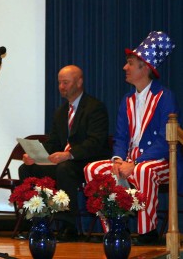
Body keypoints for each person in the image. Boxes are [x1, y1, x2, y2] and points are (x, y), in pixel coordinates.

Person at [84, 31, 183, 245]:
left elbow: (165, 141)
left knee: (143, 170)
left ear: (145, 67)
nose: (125, 68)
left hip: (161, 161)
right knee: (93, 169)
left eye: (130, 63)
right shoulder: (127, 99)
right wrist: (118, 160)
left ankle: (148, 233)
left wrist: (135, 162)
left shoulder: (165, 96)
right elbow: (120, 137)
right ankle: (115, 228)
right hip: (129, 159)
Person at [19, 65, 110, 241]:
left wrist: (70, 154)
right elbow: (53, 142)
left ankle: (68, 226)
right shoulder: (61, 112)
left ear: (79, 82)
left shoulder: (94, 107)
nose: (61, 86)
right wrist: (35, 155)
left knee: (64, 168)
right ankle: (36, 221)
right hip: (66, 162)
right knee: (27, 169)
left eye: (66, 82)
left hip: (87, 162)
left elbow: (95, 143)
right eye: (60, 83)